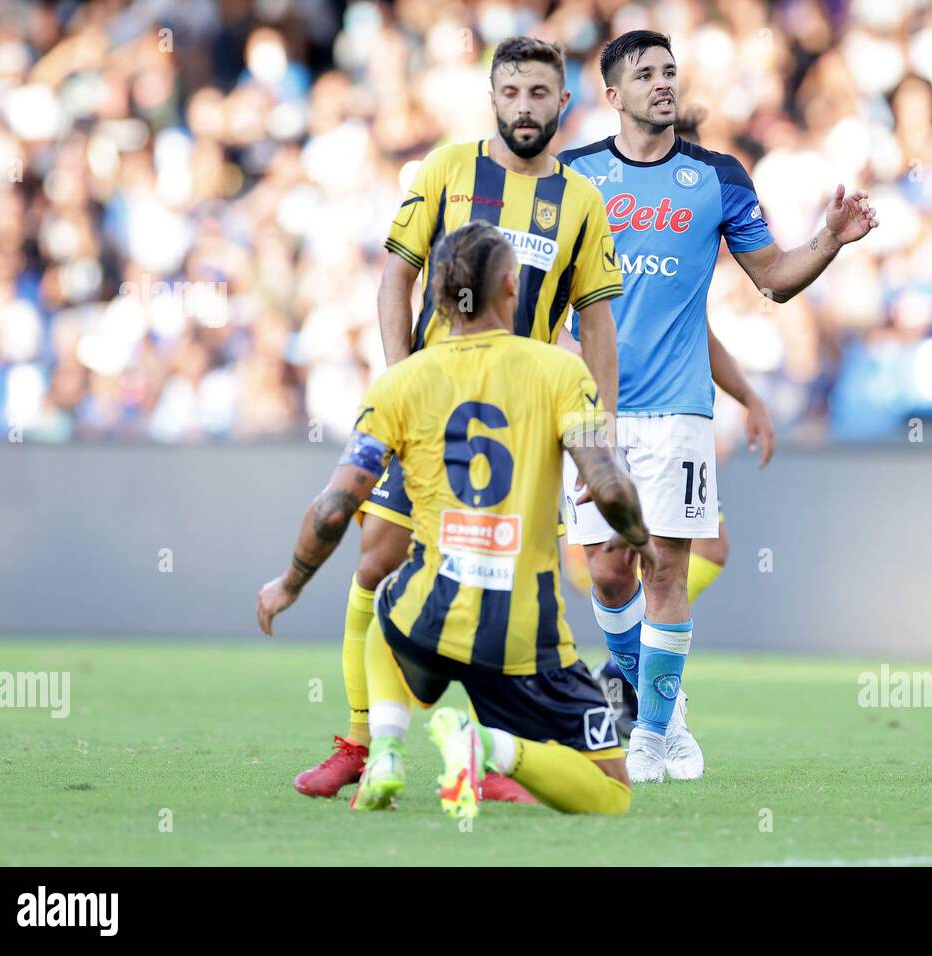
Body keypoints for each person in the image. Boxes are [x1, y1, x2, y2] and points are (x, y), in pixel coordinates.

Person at [292, 36, 623, 802]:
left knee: (503, 586)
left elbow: (598, 323)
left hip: (525, 429)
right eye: (511, 92)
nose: (525, 108)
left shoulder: (580, 201)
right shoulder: (446, 169)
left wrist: (599, 436)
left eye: (540, 94)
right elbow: (392, 281)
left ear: (563, 104)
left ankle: (484, 753)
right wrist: (400, 378)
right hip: (435, 415)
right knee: (375, 563)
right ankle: (361, 742)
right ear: (493, 96)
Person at [557, 30, 879, 782]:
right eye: (645, 73)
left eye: (670, 71)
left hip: (677, 410)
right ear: (613, 93)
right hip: (592, 408)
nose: (663, 83)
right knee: (607, 572)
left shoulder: (718, 176)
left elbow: (771, 277)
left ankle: (655, 732)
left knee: (666, 568)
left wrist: (828, 241)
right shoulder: (573, 176)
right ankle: (660, 701)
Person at [258, 221, 651, 818]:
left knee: (385, 599)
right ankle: (488, 746)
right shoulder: (560, 372)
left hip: (430, 616)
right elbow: (609, 482)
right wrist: (639, 534)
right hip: (526, 636)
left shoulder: (399, 384)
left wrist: (289, 583)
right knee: (612, 792)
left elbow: (336, 506)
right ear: (510, 290)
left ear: (436, 296)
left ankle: (385, 748)